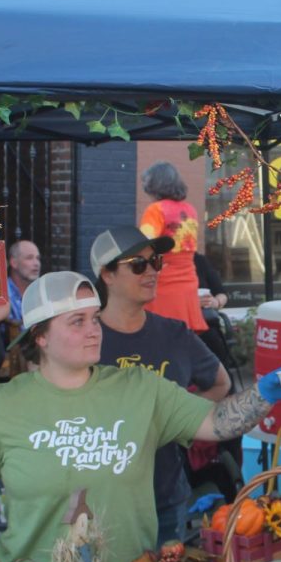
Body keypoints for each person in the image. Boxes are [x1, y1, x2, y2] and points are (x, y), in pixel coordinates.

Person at [0, 271, 281, 562]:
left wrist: (265, 394)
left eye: (94, 318)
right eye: (77, 322)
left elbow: (215, 422)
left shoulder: (139, 388)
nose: (94, 330)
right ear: (41, 337)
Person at [91, 226, 232, 544]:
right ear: (107, 275)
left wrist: (179, 421)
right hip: (101, 502)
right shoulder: (85, 338)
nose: (152, 271)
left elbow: (221, 382)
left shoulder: (174, 334)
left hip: (165, 496)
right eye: (138, 265)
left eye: (155, 261)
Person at [139, 162, 207, 331]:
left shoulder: (155, 210)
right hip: (189, 280)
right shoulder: (190, 210)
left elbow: (144, 244)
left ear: (154, 184)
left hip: (164, 281)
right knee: (183, 335)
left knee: (159, 333)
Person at [6, 239, 41, 331]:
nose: (36, 263)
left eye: (37, 258)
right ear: (14, 263)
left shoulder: (42, 292)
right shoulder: (1, 292)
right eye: (29, 258)